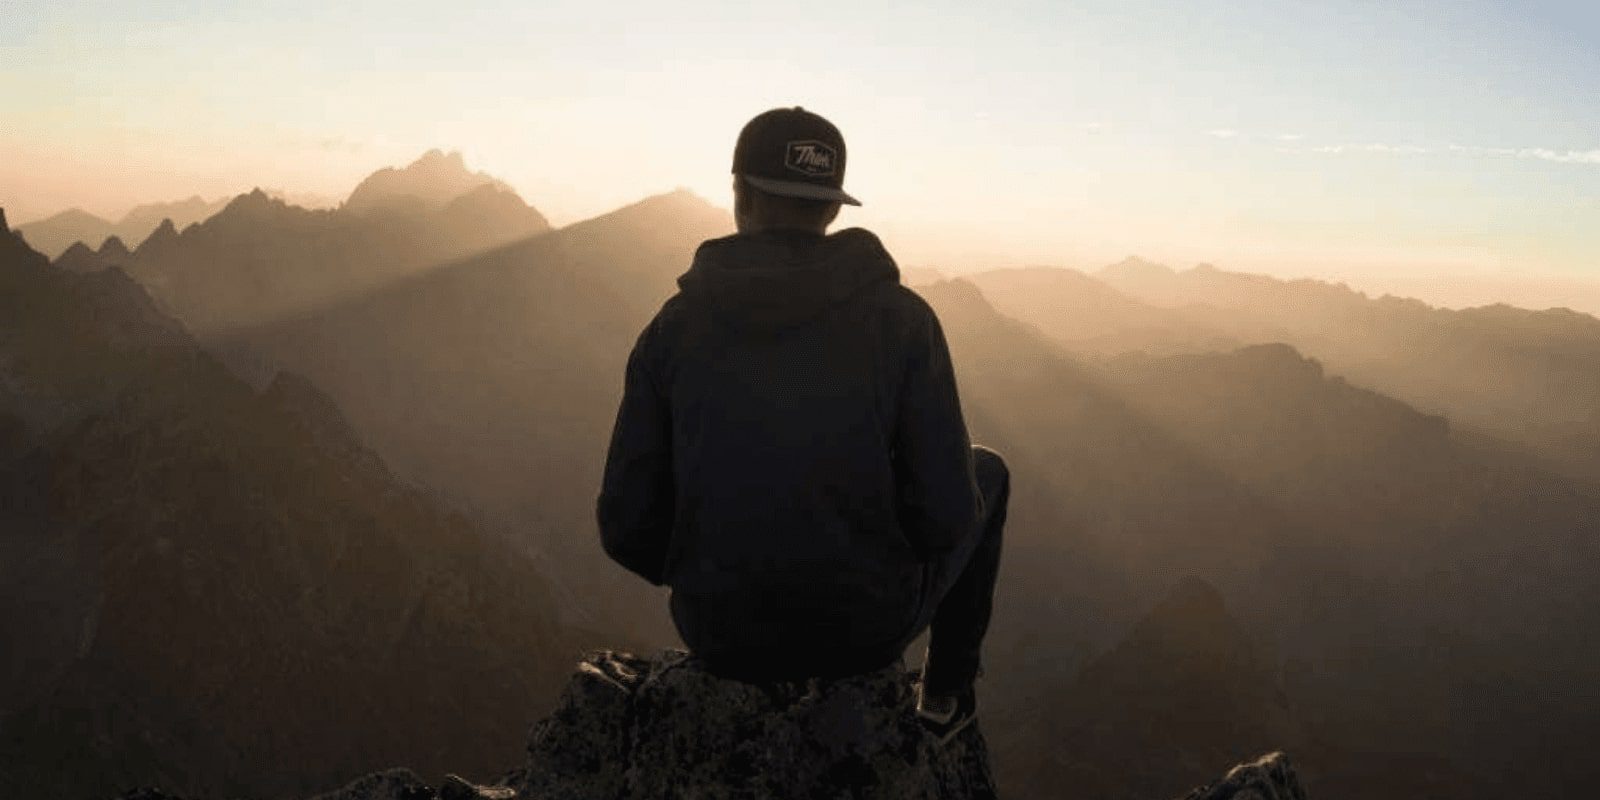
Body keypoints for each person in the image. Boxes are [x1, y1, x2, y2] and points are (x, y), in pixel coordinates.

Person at [597, 106, 1008, 741]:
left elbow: (626, 527)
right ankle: (944, 701)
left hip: (719, 633)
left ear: (740, 196)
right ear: (833, 209)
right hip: (865, 633)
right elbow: (948, 515)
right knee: (989, 472)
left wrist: (716, 569)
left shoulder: (671, 330)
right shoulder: (903, 323)